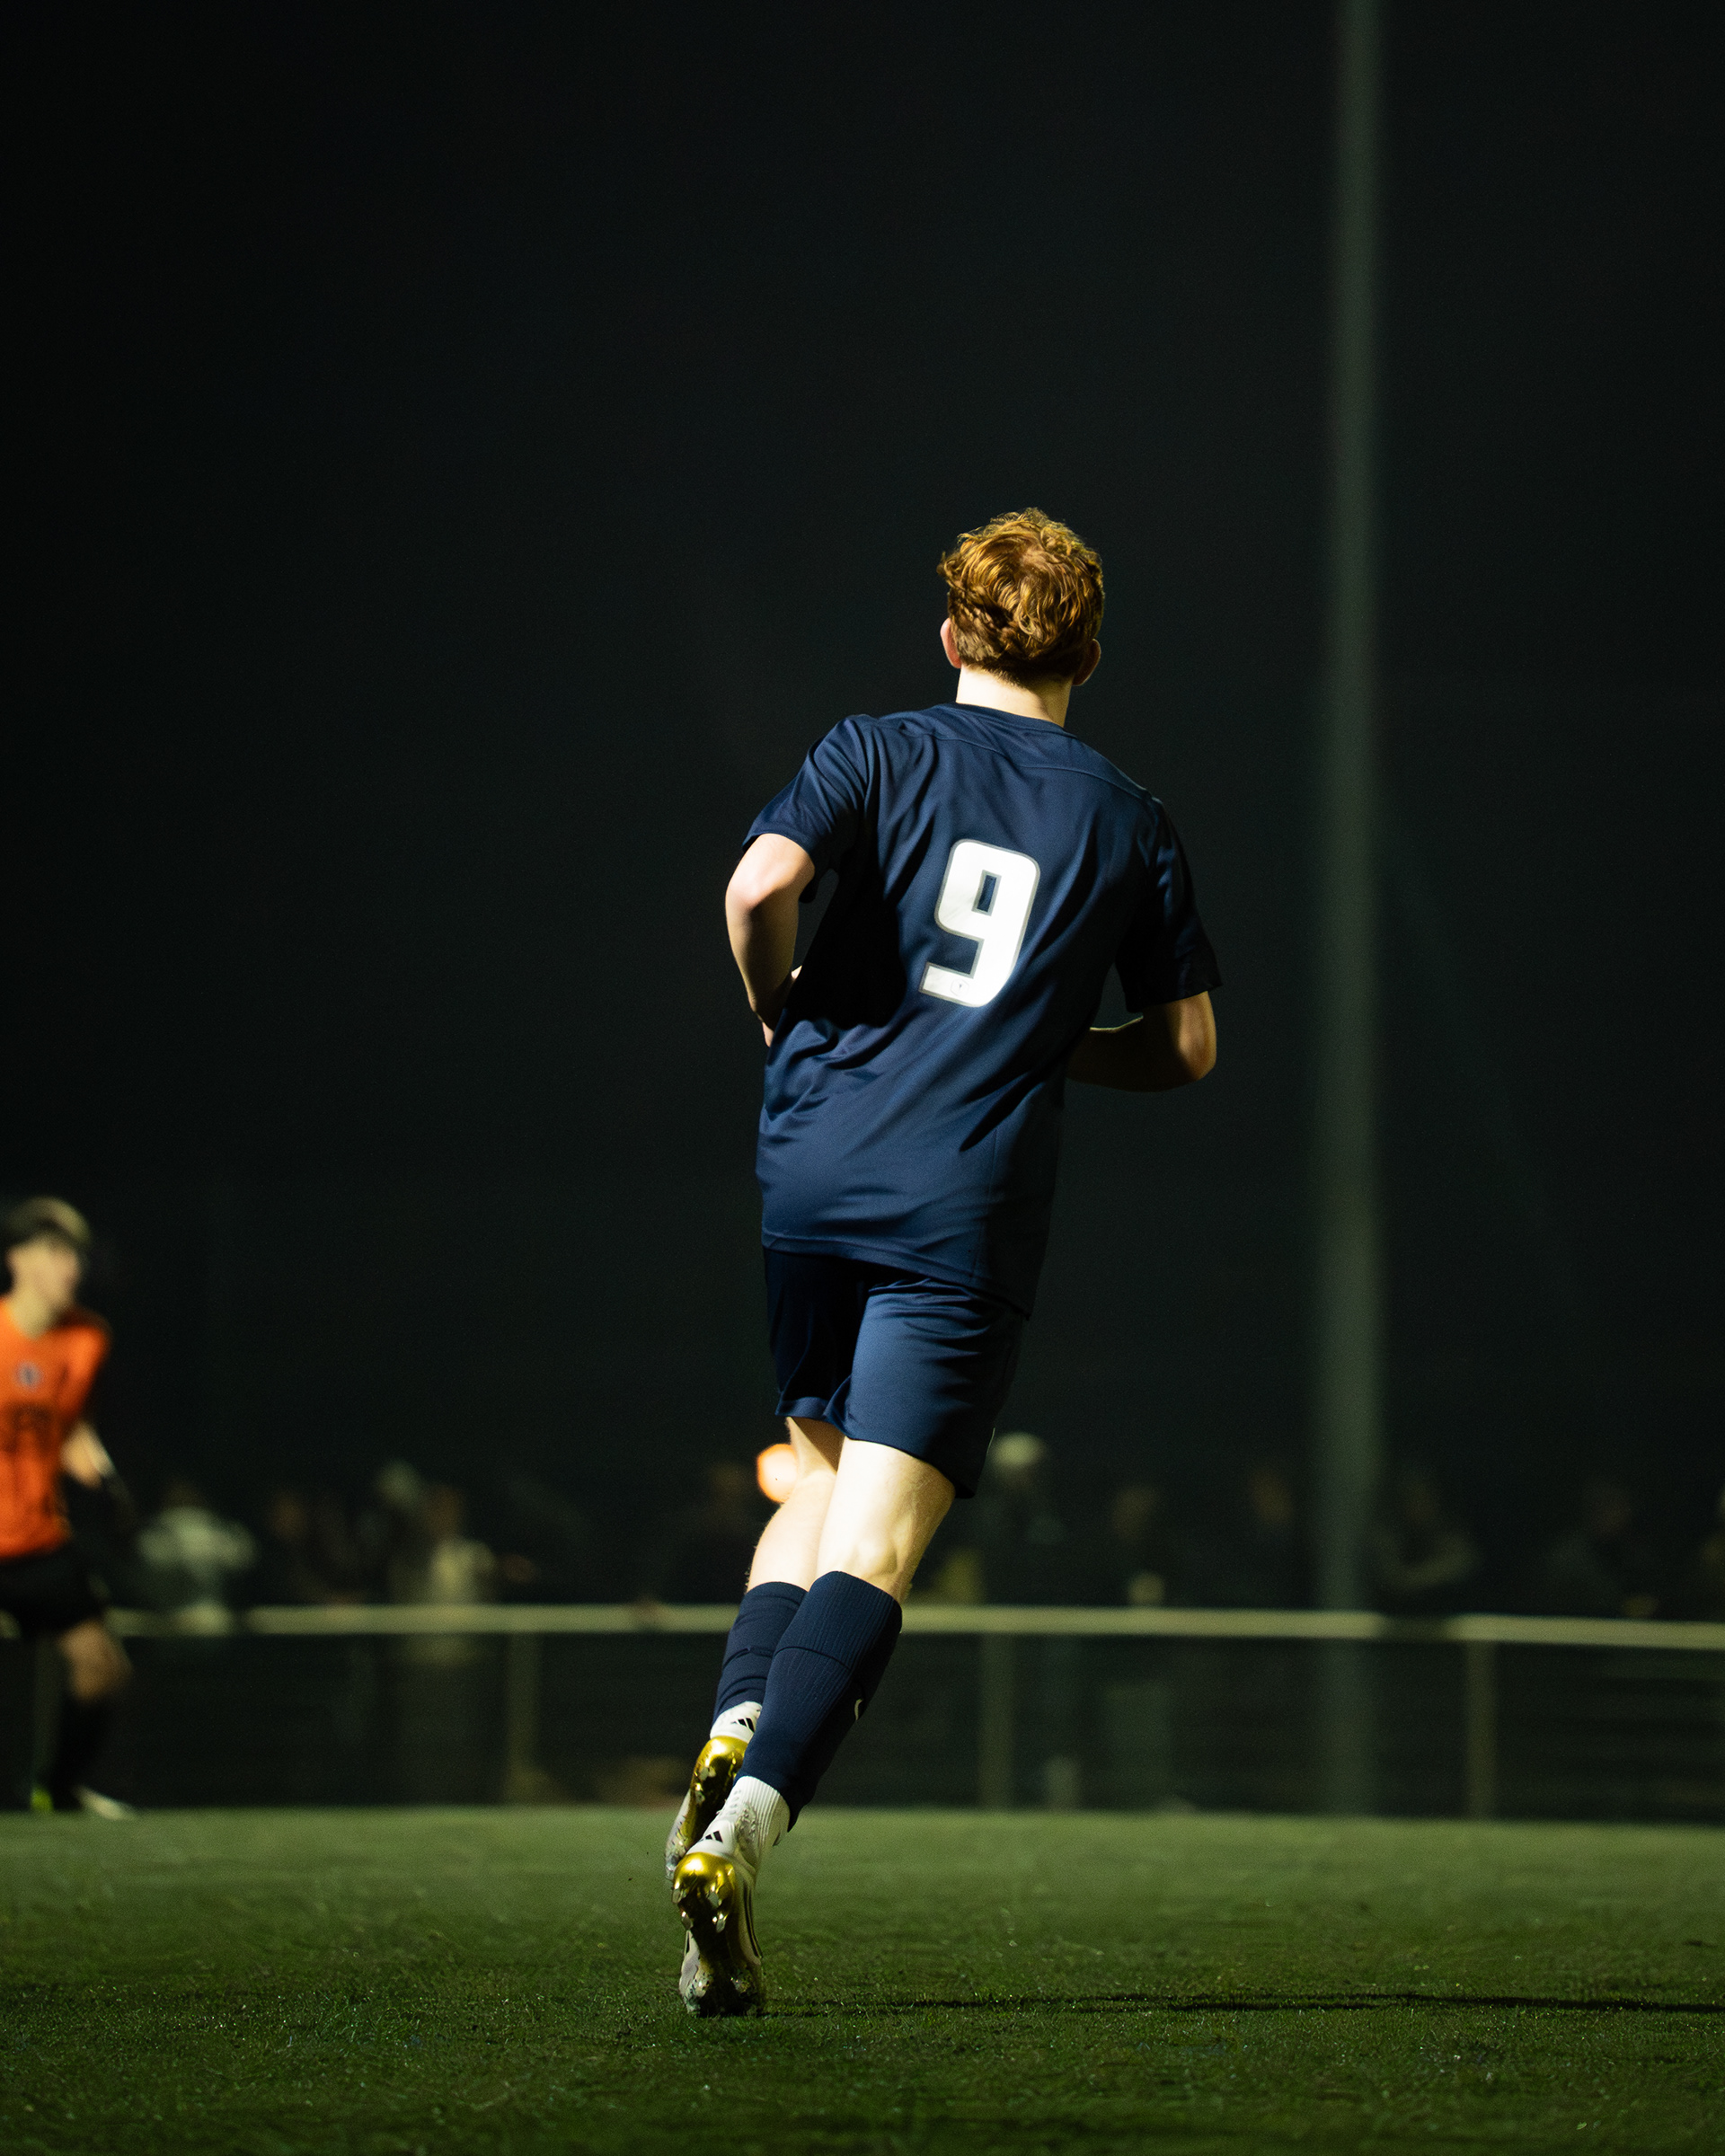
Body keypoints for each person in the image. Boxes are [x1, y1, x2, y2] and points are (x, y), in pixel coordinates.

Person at [667, 509, 1219, 2014]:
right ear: (1089, 655)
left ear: (953, 634)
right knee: (882, 1548)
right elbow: (1187, 1048)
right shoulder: (1131, 818)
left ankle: (736, 1719)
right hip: (956, 1203)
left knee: (812, 1478)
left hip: (812, 1167)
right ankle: (741, 1832)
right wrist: (1042, 1043)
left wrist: (777, 1007)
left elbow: (755, 890)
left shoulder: (874, 746)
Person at [0, 1197, 133, 1815]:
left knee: (102, 1666)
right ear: (17, 1259)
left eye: (75, 1253)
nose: (71, 1266)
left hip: (36, 1542)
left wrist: (105, 1483)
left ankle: (58, 1793)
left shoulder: (86, 1338)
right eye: (56, 1251)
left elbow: (71, 1429)